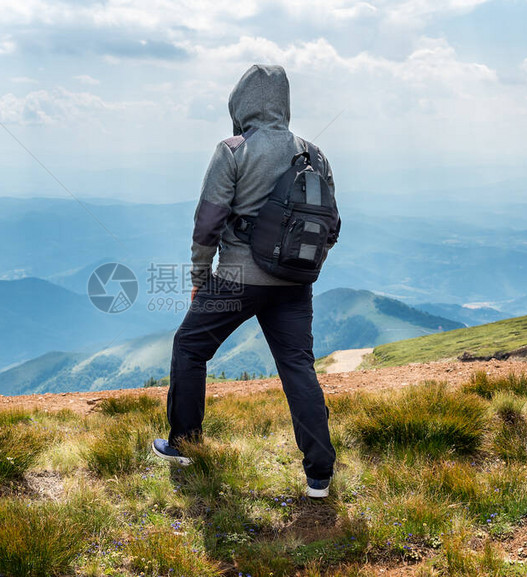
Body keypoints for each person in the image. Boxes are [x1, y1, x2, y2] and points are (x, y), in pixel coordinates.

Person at [151, 64, 338, 499]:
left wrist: (200, 276)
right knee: (297, 367)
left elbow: (207, 224)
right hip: (296, 284)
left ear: (241, 103)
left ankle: (183, 444)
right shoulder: (315, 154)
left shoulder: (233, 150)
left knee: (189, 347)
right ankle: (319, 474)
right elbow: (331, 225)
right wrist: (299, 268)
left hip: (236, 276)